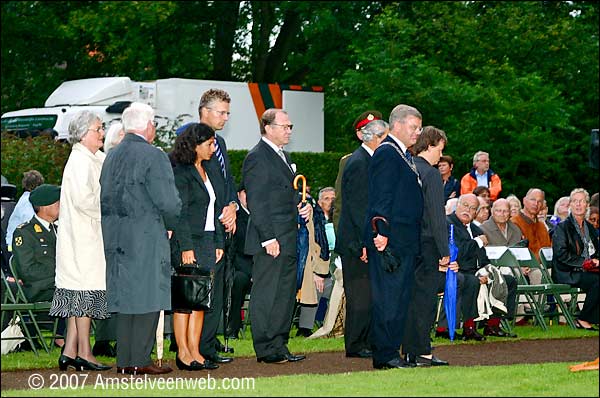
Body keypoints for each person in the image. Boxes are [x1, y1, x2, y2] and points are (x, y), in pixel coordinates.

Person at [100, 102, 181, 375]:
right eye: (153, 124)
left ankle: (125, 361)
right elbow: (168, 201)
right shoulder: (153, 156)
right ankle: (140, 359)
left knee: (125, 300)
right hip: (145, 234)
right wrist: (171, 224)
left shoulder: (111, 155)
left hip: (115, 236)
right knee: (148, 297)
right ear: (147, 126)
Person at [242, 108, 311, 364]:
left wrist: (301, 205)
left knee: (284, 293)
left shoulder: (284, 156)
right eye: (285, 126)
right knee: (267, 293)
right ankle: (266, 347)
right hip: (271, 239)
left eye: (290, 126)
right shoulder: (258, 157)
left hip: (288, 235)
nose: (289, 130)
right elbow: (257, 201)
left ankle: (280, 344)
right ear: (268, 128)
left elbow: (287, 194)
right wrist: (268, 238)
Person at [49, 111, 111, 372]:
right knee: (84, 293)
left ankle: (70, 350)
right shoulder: (80, 161)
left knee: (78, 294)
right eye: (98, 129)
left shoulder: (92, 158)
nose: (102, 133)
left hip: (86, 236)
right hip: (83, 238)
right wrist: (109, 207)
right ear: (84, 133)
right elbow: (84, 200)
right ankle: (85, 352)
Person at [366, 104, 423, 369]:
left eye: (419, 128)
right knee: (389, 296)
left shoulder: (403, 155)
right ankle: (385, 354)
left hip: (405, 238)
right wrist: (381, 231)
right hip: (392, 239)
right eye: (414, 127)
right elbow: (381, 196)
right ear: (397, 125)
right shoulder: (388, 153)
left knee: (399, 297)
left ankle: (392, 351)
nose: (418, 133)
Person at [169, 123, 223, 371]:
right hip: (188, 242)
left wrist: (218, 242)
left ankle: (196, 351)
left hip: (208, 241)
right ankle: (183, 352)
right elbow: (179, 214)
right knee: (186, 300)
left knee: (200, 300)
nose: (213, 148)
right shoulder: (181, 172)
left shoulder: (207, 169)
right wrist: (185, 247)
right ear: (195, 145)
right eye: (209, 144)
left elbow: (215, 209)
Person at [336, 114, 388, 359]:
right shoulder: (358, 162)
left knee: (368, 293)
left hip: (362, 238)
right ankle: (356, 344)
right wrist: (362, 243)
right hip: (356, 242)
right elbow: (357, 208)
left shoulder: (369, 160)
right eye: (383, 138)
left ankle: (365, 340)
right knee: (360, 294)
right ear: (374, 138)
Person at [402, 126, 450, 367]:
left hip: (409, 244)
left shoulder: (407, 167)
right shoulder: (430, 174)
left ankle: (410, 350)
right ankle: (423, 351)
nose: (440, 157)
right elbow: (436, 216)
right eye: (439, 150)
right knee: (425, 302)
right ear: (430, 145)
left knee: (410, 300)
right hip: (428, 245)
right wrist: (445, 250)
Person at [197, 89, 238, 364]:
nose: (225, 117)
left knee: (218, 290)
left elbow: (228, 180)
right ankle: (196, 348)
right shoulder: (192, 140)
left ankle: (209, 344)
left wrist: (233, 205)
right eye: (221, 112)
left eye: (227, 112)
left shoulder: (219, 142)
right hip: (203, 229)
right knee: (203, 292)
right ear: (205, 111)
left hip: (224, 224)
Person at [446, 194, 518, 338]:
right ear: (457, 205)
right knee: (472, 282)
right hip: (457, 270)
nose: (468, 210)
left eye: (472, 208)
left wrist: (487, 273)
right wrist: (477, 242)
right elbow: (458, 253)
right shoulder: (448, 224)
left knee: (508, 280)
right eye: (465, 205)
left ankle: (492, 325)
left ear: (475, 213)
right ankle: (469, 327)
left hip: (476, 270)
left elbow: (483, 257)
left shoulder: (475, 229)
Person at [11, 184, 66, 346]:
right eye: (58, 203)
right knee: (72, 294)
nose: (61, 206)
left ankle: (95, 340)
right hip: (38, 289)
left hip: (58, 285)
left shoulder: (60, 230)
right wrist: (60, 276)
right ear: (44, 207)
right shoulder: (25, 232)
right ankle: (63, 337)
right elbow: (28, 270)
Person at [552, 188, 599, 330]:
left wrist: (596, 261)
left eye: (582, 201)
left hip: (588, 270)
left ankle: (593, 317)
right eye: (575, 201)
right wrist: (585, 263)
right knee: (597, 281)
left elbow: (596, 251)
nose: (578, 204)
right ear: (570, 205)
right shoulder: (562, 227)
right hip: (567, 272)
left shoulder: (590, 228)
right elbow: (561, 254)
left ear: (587, 205)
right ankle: (584, 319)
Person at [297, 187, 335, 337]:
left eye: (333, 198)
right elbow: (310, 246)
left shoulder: (341, 219)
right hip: (317, 266)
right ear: (319, 202)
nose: (331, 202)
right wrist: (315, 272)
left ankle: (335, 324)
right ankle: (305, 328)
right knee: (316, 285)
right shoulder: (313, 219)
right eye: (326, 199)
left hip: (337, 265)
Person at [225, 184, 253, 340]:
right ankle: (232, 328)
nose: (249, 196)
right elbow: (233, 250)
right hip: (240, 267)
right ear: (238, 194)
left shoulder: (258, 215)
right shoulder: (234, 216)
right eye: (245, 192)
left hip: (258, 267)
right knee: (239, 280)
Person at [5, 170, 44, 252]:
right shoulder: (28, 202)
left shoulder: (25, 200)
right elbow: (29, 224)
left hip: (15, 243)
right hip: (17, 247)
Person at [511, 188, 552, 264]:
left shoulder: (542, 227)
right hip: (526, 268)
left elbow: (548, 252)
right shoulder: (514, 223)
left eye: (539, 201)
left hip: (546, 266)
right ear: (524, 201)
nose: (536, 204)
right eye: (532, 200)